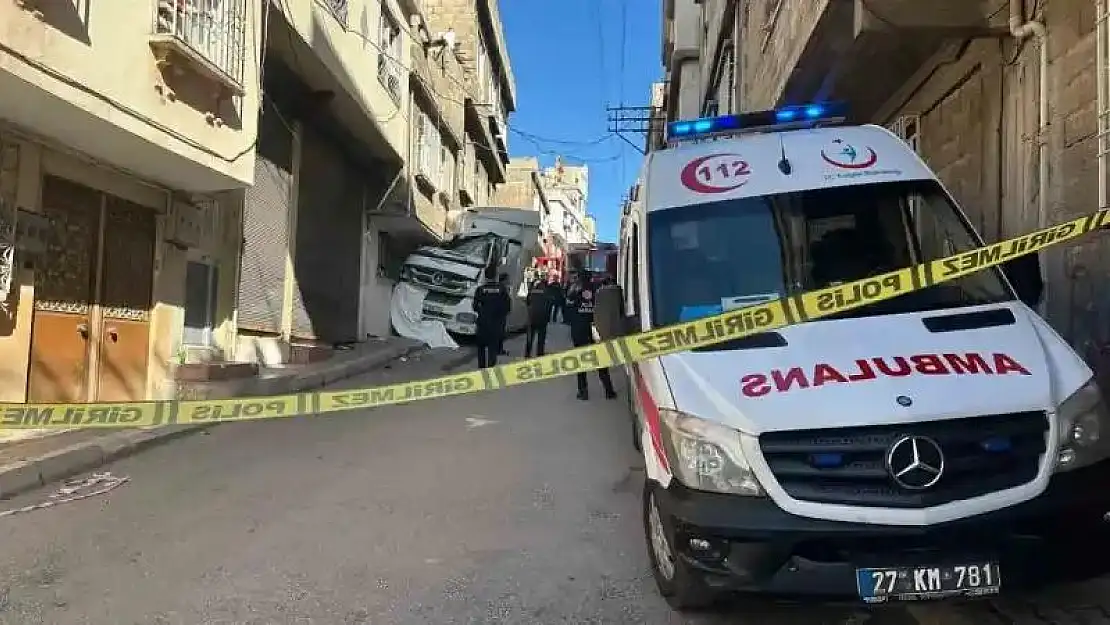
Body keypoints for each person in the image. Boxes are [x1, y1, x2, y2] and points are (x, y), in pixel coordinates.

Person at [566, 269, 617, 401]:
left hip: (579, 330)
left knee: (581, 360)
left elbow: (567, 311)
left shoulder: (574, 291)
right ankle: (609, 391)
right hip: (595, 329)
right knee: (600, 359)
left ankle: (583, 392)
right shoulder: (598, 291)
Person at [472, 265, 510, 369]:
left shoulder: (480, 289)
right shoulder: (502, 290)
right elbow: (507, 307)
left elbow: (475, 306)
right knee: (492, 348)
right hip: (496, 324)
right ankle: (490, 370)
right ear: (495, 276)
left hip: (482, 323)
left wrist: (483, 312)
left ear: (485, 276)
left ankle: (481, 369)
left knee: (481, 348)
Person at [524, 278, 550, 358]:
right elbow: (549, 304)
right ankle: (540, 353)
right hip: (542, 317)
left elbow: (528, 302)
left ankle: (527, 353)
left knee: (530, 337)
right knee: (541, 337)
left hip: (532, 317)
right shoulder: (546, 292)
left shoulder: (532, 291)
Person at [497, 273, 511, 356]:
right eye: (507, 279)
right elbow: (504, 301)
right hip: (501, 314)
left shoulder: (501, 288)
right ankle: (499, 349)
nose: (508, 281)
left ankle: (498, 349)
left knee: (500, 332)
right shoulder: (502, 288)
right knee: (500, 332)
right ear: (504, 280)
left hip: (500, 313)